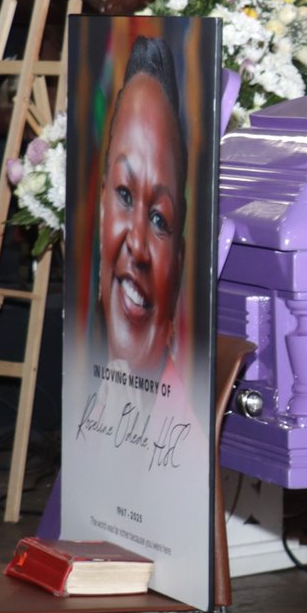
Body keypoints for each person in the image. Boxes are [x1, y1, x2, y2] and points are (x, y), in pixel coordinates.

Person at [95, 35, 189, 384]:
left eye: (158, 219)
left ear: (178, 263)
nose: (137, 243)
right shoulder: (80, 407)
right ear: (102, 211)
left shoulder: (182, 431)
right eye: (124, 195)